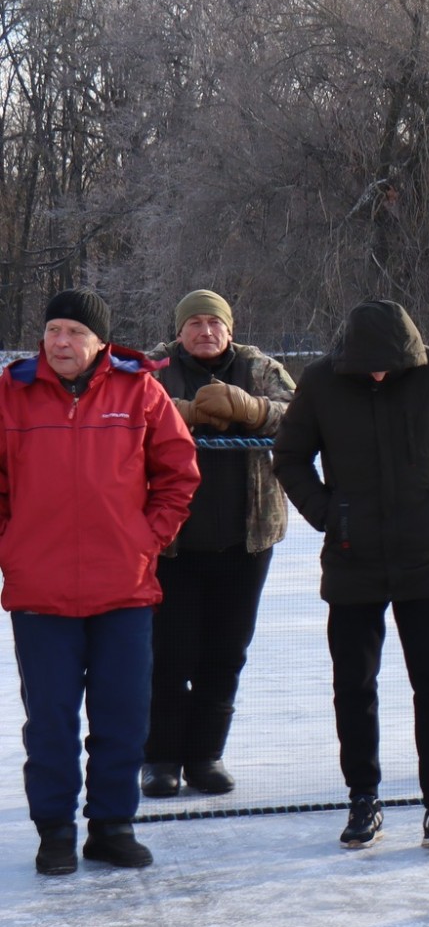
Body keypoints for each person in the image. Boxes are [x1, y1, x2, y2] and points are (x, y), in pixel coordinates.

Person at [273, 300, 429, 849]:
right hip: (352, 558)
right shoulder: (321, 381)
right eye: (367, 366)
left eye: (387, 366)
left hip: (427, 555)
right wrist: (327, 513)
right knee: (354, 685)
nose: (377, 374)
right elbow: (290, 455)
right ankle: (363, 797)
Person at [1, 289, 199, 874]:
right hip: (41, 592)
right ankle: (54, 831)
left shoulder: (140, 391)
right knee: (52, 720)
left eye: (74, 333)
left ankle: (112, 825)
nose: (61, 342)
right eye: (53, 330)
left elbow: (178, 475)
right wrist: (13, 544)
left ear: (99, 343)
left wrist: (146, 539)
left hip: (124, 588)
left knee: (122, 715)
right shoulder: (11, 395)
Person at [140, 290, 294, 800]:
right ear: (179, 329)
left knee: (225, 653)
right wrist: (179, 412)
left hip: (245, 539)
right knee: (168, 654)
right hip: (171, 544)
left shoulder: (260, 367)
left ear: (230, 328)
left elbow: (301, 416)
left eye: (214, 323)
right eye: (195, 323)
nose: (205, 331)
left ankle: (206, 754)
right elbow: (127, 416)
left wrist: (251, 409)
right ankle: (160, 757)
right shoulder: (156, 371)